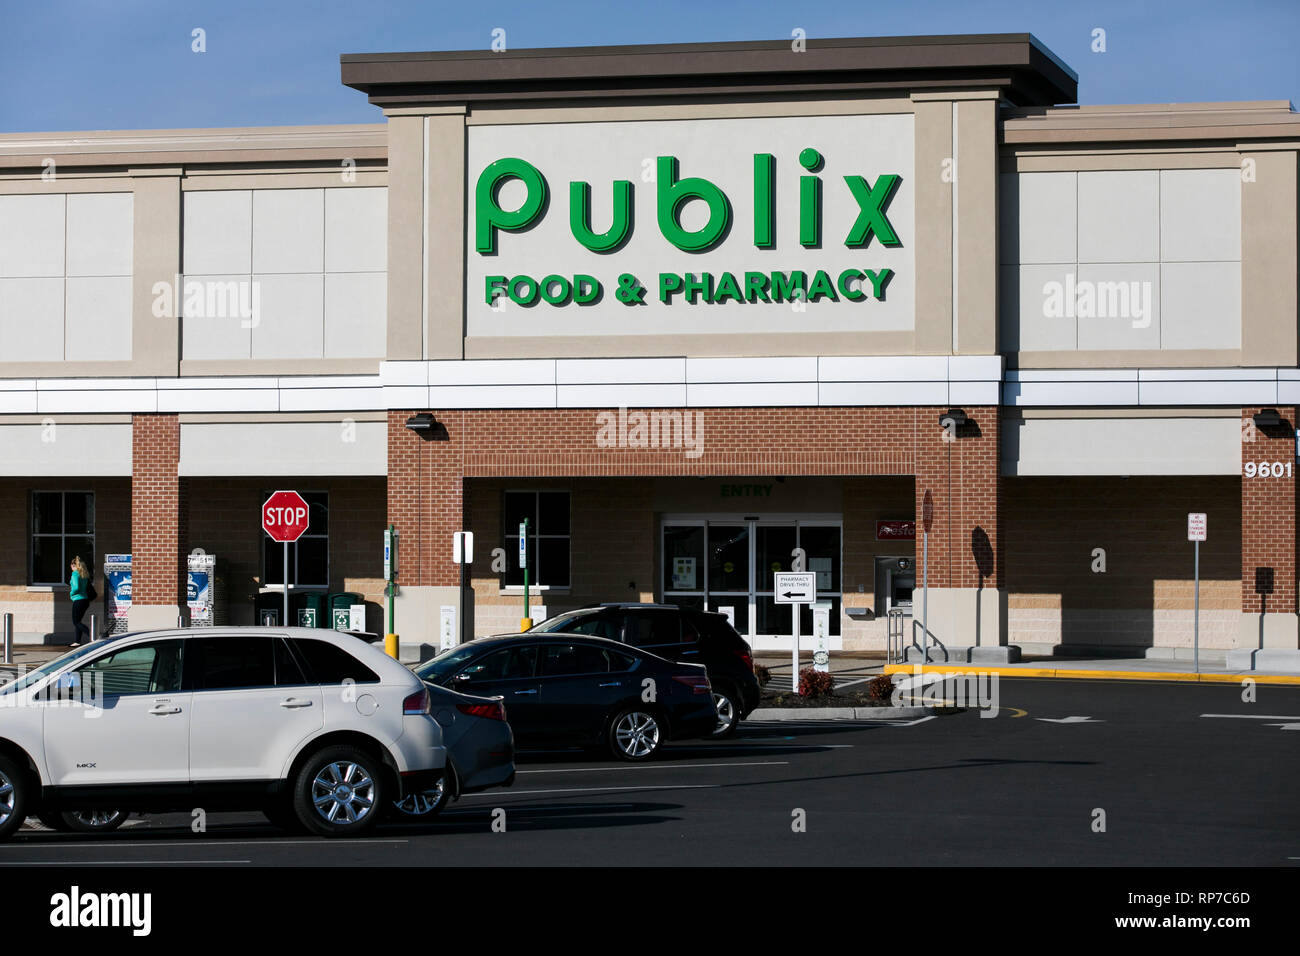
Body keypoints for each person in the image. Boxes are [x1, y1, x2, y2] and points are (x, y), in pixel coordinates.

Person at [68, 555, 92, 646]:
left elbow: (76, 587)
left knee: (76, 622)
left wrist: (71, 594)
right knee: (78, 621)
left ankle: (93, 636)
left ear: (73, 565)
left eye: (71, 565)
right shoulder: (84, 574)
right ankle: (77, 641)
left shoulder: (75, 573)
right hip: (85, 600)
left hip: (78, 600)